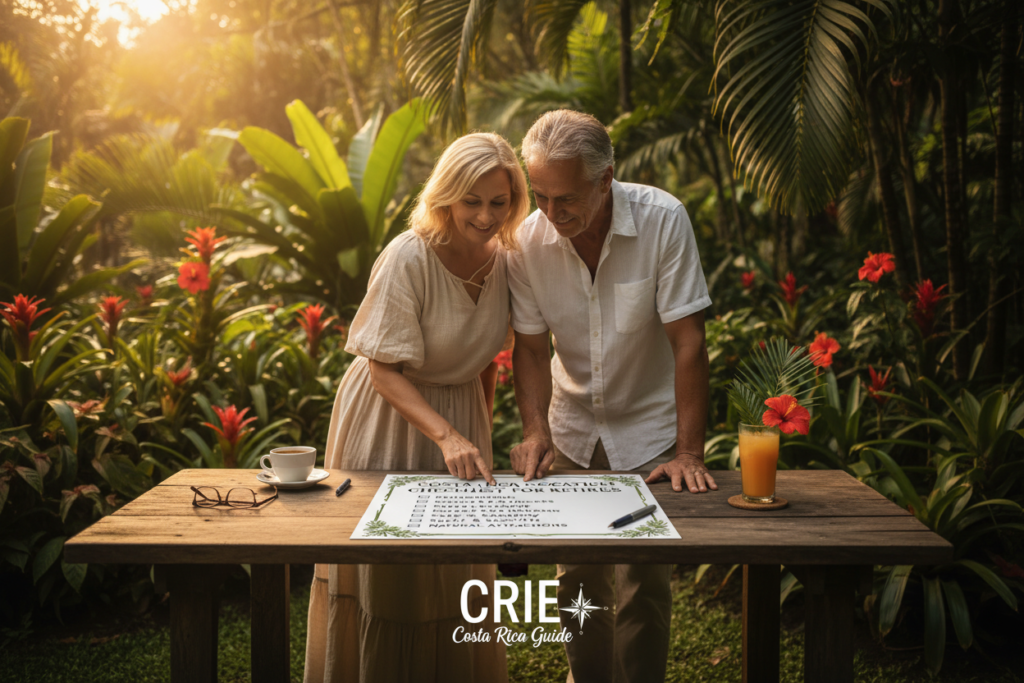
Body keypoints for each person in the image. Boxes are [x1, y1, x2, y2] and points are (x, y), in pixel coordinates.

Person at [303, 132, 530, 683]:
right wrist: (447, 435)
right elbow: (383, 370)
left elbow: (488, 360)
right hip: (389, 415)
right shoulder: (409, 255)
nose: (484, 215)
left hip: (458, 415)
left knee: (455, 571)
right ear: (446, 196)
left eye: (498, 202)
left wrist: (475, 432)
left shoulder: (508, 260)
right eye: (471, 201)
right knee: (393, 579)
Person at [507, 109, 717, 683]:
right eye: (541, 196)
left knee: (643, 583)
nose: (552, 214)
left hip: (650, 429)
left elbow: (688, 341)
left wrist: (690, 451)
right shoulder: (528, 239)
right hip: (571, 425)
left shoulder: (662, 220)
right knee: (576, 577)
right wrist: (535, 432)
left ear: (606, 179)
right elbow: (529, 347)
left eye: (567, 198)